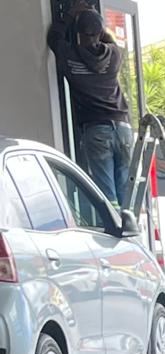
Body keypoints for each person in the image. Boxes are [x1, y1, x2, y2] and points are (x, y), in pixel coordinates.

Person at [47, 4, 134, 207]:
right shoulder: (114, 54)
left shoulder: (69, 55)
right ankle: (129, 222)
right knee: (125, 190)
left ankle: (112, 223)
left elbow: (54, 38)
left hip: (96, 130)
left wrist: (70, 14)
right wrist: (95, 19)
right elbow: (109, 39)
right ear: (100, 33)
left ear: (78, 33)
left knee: (106, 194)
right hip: (123, 127)